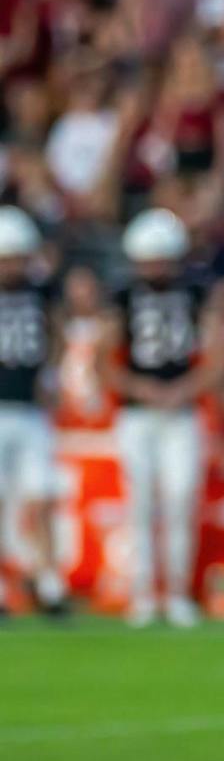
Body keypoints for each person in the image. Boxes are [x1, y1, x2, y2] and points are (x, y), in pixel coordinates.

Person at [102, 208, 224, 627]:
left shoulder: (195, 293)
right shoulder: (121, 296)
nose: (155, 266)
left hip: (182, 410)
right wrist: (143, 389)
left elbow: (217, 356)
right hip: (137, 412)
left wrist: (183, 390)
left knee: (180, 498)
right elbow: (103, 360)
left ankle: (176, 593)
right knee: (140, 503)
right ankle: (142, 593)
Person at [0, 206, 68, 616]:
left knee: (41, 495)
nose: (13, 267)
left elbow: (57, 331)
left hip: (29, 410)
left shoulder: (43, 291)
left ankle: (48, 582)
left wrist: (52, 375)